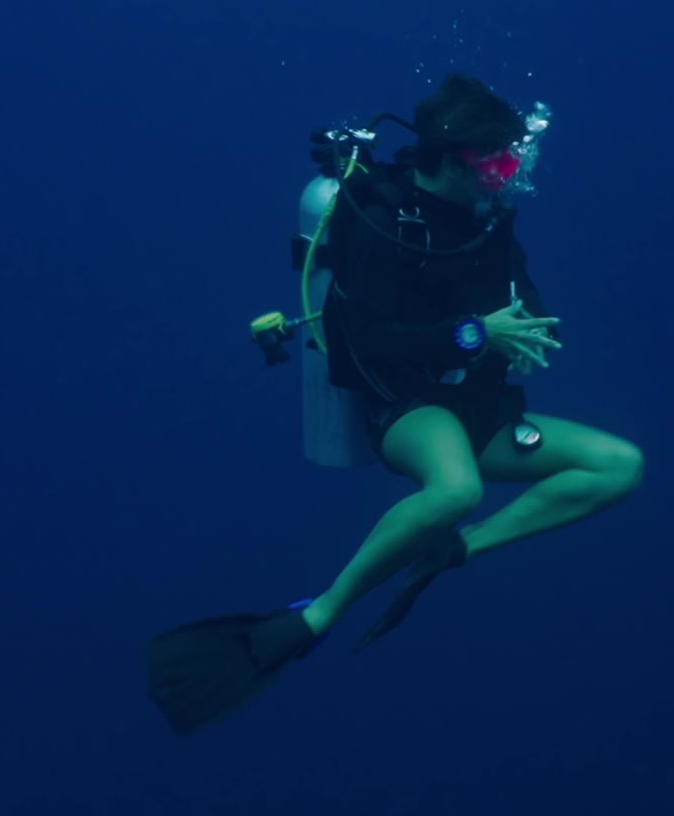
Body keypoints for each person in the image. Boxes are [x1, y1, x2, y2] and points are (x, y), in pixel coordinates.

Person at [148, 74, 644, 735]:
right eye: (496, 161)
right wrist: (477, 333)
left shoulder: (489, 217)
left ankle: (455, 552)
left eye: (513, 159)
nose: (510, 174)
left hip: (485, 407)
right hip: (409, 406)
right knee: (455, 489)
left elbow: (523, 294)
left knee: (619, 465)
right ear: (448, 161)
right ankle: (319, 612)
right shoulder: (386, 221)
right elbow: (368, 339)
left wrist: (531, 329)